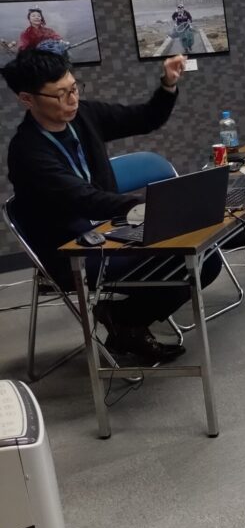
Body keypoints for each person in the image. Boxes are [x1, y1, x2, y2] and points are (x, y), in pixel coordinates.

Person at [3, 49, 221, 364]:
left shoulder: (84, 116)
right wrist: (148, 206)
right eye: (60, 94)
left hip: (110, 229)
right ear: (27, 99)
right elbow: (84, 198)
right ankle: (127, 323)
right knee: (188, 256)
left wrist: (168, 85)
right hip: (71, 248)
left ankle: (124, 318)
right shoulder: (27, 152)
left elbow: (145, 118)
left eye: (74, 88)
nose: (72, 100)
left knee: (205, 256)